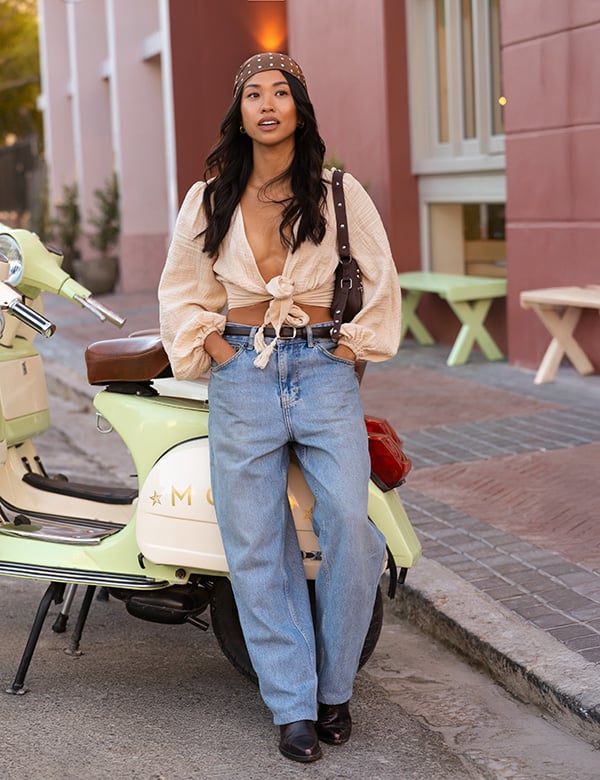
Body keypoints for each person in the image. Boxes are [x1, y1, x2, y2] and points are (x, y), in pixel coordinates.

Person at [159, 52, 401, 763]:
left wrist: (349, 354)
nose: (267, 104)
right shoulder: (209, 197)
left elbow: (383, 280)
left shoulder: (338, 191)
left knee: (349, 528)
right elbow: (181, 290)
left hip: (323, 367)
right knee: (256, 543)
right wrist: (221, 354)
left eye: (281, 92)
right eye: (253, 94)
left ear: (300, 107)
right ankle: (292, 707)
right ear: (239, 112)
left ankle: (334, 690)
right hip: (243, 374)